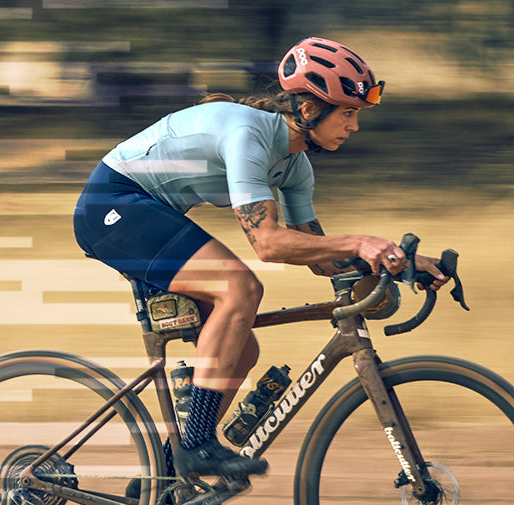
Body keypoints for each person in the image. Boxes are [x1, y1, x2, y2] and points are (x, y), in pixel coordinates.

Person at [71, 37, 448, 482]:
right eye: (348, 112)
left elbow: (320, 258)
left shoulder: (294, 167)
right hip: (112, 205)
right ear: (309, 110)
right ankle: (195, 449)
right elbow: (268, 244)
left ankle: (169, 480)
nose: (354, 126)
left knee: (242, 347)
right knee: (241, 288)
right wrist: (361, 241)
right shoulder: (247, 134)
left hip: (147, 213)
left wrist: (399, 263)